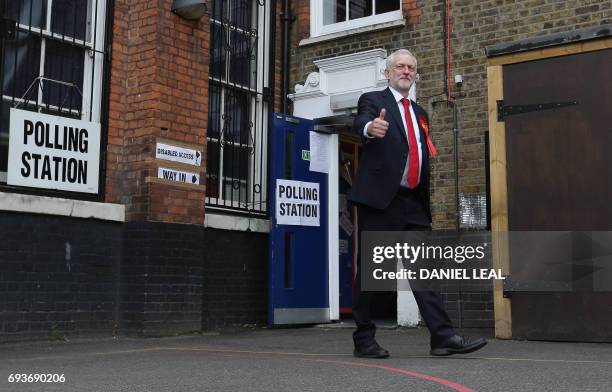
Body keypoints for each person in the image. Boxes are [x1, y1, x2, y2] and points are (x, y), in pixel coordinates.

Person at [348, 49, 487, 358]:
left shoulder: (421, 112)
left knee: (424, 271)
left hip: (413, 203)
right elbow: (362, 122)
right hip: (382, 203)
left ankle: (442, 337)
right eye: (400, 66)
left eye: (411, 67)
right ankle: (364, 338)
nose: (406, 71)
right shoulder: (373, 101)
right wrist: (370, 129)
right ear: (388, 73)